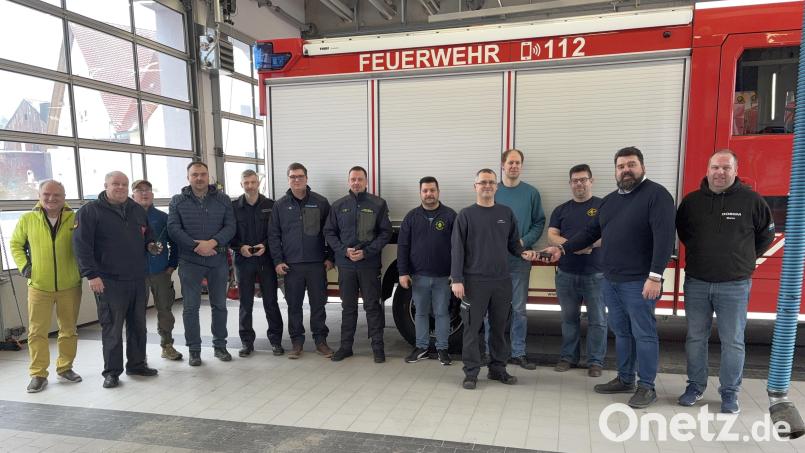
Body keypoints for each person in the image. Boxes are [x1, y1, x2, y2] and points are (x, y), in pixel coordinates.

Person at [540, 147, 676, 408]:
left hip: (640, 281)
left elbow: (664, 239)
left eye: (631, 164)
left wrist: (655, 277)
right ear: (615, 171)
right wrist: (562, 248)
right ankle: (626, 379)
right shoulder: (610, 201)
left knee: (644, 334)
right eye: (621, 166)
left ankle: (647, 386)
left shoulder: (657, 196)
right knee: (622, 333)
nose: (626, 170)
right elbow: (590, 233)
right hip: (610, 280)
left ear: (643, 167)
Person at [675, 149, 774, 414]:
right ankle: (695, 386)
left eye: (726, 168)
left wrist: (743, 259)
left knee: (733, 340)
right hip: (697, 282)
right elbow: (684, 233)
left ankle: (730, 393)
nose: (720, 173)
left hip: (735, 285)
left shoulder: (752, 201)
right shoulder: (692, 202)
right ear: (707, 170)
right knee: (696, 338)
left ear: (735, 171)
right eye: (715, 168)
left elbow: (766, 236)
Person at [73, 171, 160, 388]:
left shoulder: (136, 209)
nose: (120, 187)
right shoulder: (90, 211)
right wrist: (91, 275)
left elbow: (147, 235)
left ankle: (137, 364)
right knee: (112, 328)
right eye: (115, 184)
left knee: (138, 325)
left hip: (138, 279)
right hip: (108, 281)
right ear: (106, 185)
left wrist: (151, 245)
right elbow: (81, 246)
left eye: (124, 184)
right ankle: (112, 372)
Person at [451, 169, 536, 390]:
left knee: (499, 328)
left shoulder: (506, 213)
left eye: (491, 182)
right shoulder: (465, 215)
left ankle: (498, 370)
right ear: (475, 186)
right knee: (472, 329)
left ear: (496, 187)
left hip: (501, 282)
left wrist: (522, 253)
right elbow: (457, 250)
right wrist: (457, 279)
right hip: (473, 283)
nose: (487, 186)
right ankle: (471, 373)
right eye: (482, 182)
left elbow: (513, 245)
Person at [11, 180, 83, 393]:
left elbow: (87, 244)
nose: (51, 199)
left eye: (56, 195)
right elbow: (15, 244)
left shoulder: (75, 218)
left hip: (70, 284)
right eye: (47, 194)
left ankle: (65, 367)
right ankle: (38, 374)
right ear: (39, 195)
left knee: (68, 330)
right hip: (39, 286)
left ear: (64, 197)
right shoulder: (27, 219)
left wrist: (81, 270)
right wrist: (25, 266)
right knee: (36, 332)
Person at [168, 162, 236, 366]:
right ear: (188, 177)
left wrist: (212, 243)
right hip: (190, 260)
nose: (199, 178)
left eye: (203, 174)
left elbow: (231, 226)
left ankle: (220, 346)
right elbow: (173, 228)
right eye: (195, 174)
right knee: (190, 307)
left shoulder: (223, 200)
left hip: (217, 259)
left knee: (219, 305)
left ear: (209, 177)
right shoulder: (177, 201)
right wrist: (196, 246)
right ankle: (194, 350)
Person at [324, 166, 392, 363]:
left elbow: (385, 233)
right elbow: (329, 232)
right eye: (353, 179)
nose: (356, 182)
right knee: (348, 307)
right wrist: (344, 251)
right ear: (348, 182)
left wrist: (366, 252)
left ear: (366, 181)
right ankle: (346, 347)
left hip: (368, 265)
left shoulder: (378, 204)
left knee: (372, 306)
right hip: (346, 265)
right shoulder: (338, 206)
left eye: (360, 179)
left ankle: (378, 349)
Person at [268, 163, 334, 359]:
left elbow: (331, 232)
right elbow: (273, 235)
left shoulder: (321, 202)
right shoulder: (280, 205)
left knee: (318, 305)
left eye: (300, 176)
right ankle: (297, 343)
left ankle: (321, 341)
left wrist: (330, 257)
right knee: (293, 306)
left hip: (316, 264)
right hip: (291, 266)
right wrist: (278, 261)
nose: (296, 180)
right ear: (288, 180)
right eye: (292, 177)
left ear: (306, 178)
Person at [547, 164, 606, 377]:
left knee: (598, 320)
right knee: (568, 318)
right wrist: (575, 245)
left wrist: (587, 246)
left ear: (591, 180)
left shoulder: (603, 206)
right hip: (566, 274)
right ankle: (567, 358)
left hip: (596, 274)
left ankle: (595, 362)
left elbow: (610, 233)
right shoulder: (561, 210)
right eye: (575, 180)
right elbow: (552, 235)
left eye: (583, 179)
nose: (579, 183)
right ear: (570, 183)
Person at [490, 149, 545, 370]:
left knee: (519, 310)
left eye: (518, 163)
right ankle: (489, 351)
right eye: (510, 162)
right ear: (502, 165)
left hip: (520, 260)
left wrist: (523, 241)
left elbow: (539, 222)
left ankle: (518, 352)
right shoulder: (492, 190)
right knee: (490, 309)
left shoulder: (531, 193)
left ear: (521, 166)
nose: (514, 166)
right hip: (493, 262)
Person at [398, 176, 456, 366]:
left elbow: (458, 247)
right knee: (421, 313)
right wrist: (403, 272)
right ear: (420, 193)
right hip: (418, 276)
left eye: (432, 190)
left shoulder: (450, 216)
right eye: (425, 190)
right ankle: (421, 347)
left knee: (441, 313)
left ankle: (442, 349)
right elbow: (403, 246)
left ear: (438, 191)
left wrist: (455, 273)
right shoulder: (412, 217)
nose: (429, 194)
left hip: (443, 277)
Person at [230, 169, 283, 358]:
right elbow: (228, 233)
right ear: (241, 184)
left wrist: (266, 246)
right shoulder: (233, 207)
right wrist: (239, 247)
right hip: (243, 260)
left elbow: (277, 232)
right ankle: (246, 342)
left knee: (271, 301)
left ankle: (276, 341)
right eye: (247, 183)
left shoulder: (271, 205)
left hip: (266, 260)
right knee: (245, 303)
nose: (250, 186)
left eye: (253, 182)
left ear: (258, 183)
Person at [131, 179, 182, 361]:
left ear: (152, 194)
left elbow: (174, 243)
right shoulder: (126, 217)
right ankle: (138, 352)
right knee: (136, 314)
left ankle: (167, 345)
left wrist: (171, 265)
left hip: (161, 272)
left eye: (148, 190)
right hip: (135, 275)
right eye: (139, 190)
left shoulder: (162, 218)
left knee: (165, 311)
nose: (144, 193)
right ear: (133, 195)